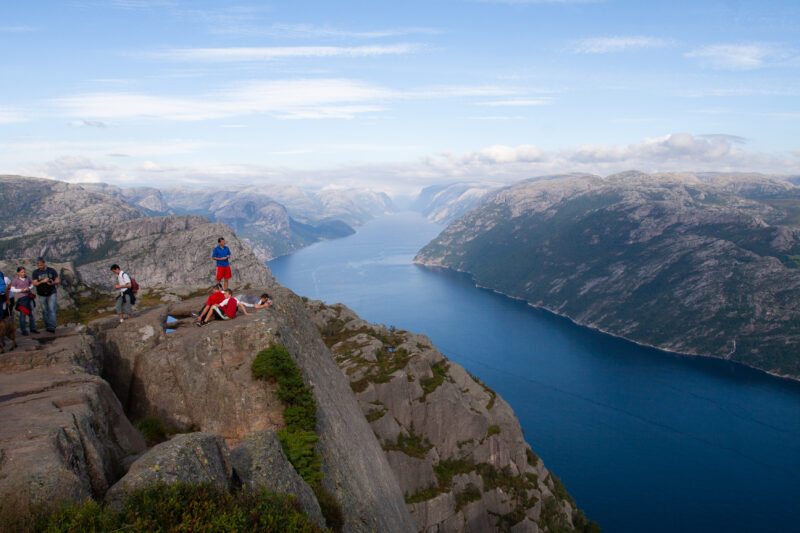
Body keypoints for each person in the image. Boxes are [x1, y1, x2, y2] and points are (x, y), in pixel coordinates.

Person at [31, 257, 59, 333]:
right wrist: (42, 281)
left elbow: (57, 280)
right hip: (41, 294)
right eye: (38, 265)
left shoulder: (51, 270)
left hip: (52, 292)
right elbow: (35, 283)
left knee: (52, 309)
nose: (40, 266)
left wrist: (52, 283)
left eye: (41, 265)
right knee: (44, 310)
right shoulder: (35, 272)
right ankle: (47, 325)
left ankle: (52, 326)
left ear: (44, 263)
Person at [10, 267, 36, 335]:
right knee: (23, 314)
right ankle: (23, 330)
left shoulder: (27, 278)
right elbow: (12, 289)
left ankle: (33, 328)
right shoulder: (16, 280)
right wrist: (20, 290)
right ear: (18, 273)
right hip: (22, 298)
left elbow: (31, 284)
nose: (23, 273)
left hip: (29, 296)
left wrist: (29, 288)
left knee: (32, 313)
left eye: (24, 272)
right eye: (22, 272)